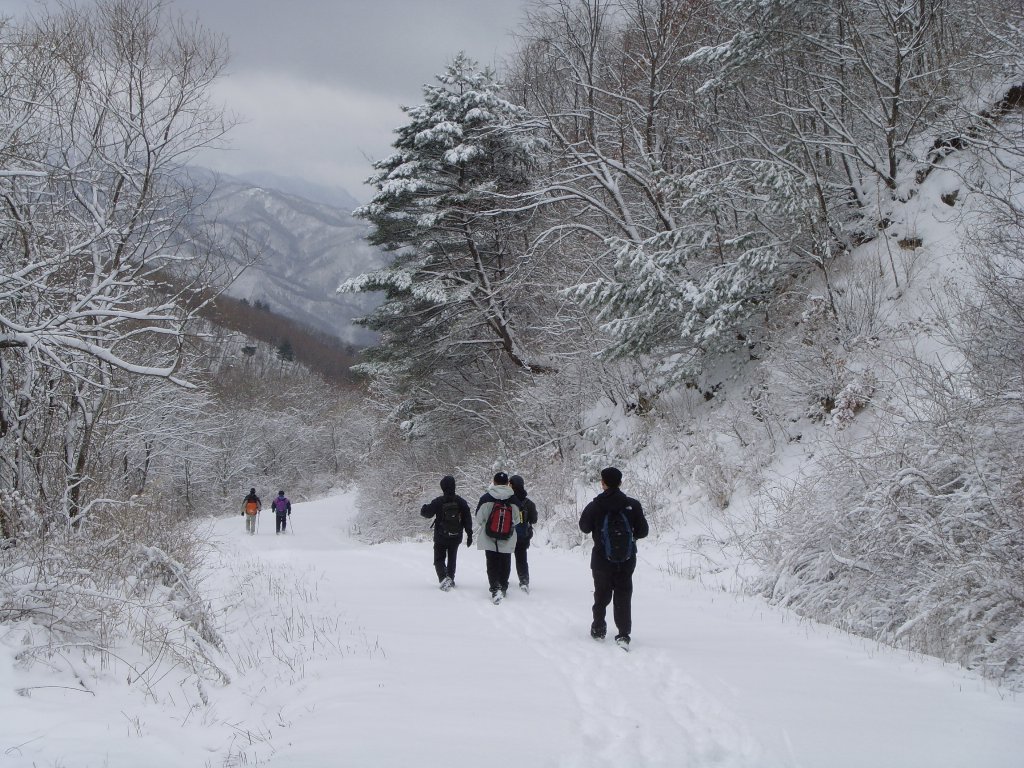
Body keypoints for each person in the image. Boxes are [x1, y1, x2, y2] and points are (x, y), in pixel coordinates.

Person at [579, 467, 649, 649]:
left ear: (603, 483)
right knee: (623, 595)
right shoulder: (633, 505)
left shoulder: (595, 505)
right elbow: (643, 531)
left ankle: (599, 628)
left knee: (601, 594)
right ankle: (623, 635)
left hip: (601, 560)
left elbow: (584, 528)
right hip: (626, 560)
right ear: (620, 482)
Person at [475, 471, 522, 604]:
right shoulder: (514, 500)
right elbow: (517, 520)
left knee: (492, 563)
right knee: (505, 562)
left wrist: (487, 524)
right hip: (507, 537)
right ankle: (504, 587)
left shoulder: (486, 498)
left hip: (489, 536)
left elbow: (479, 518)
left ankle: (495, 589)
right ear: (508, 483)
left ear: (494, 482)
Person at [420, 475, 473, 591]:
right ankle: (451, 578)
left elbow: (426, 513)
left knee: (439, 558)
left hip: (440, 536)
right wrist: (469, 534)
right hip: (456, 536)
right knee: (452, 558)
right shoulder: (461, 502)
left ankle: (443, 578)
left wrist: (423, 507)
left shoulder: (438, 501)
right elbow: (467, 519)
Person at [509, 474, 538, 593]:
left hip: (508, 535)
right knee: (521, 559)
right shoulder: (529, 503)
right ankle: (524, 581)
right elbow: (534, 520)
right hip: (523, 537)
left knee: (504, 559)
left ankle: (502, 580)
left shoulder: (507, 500)